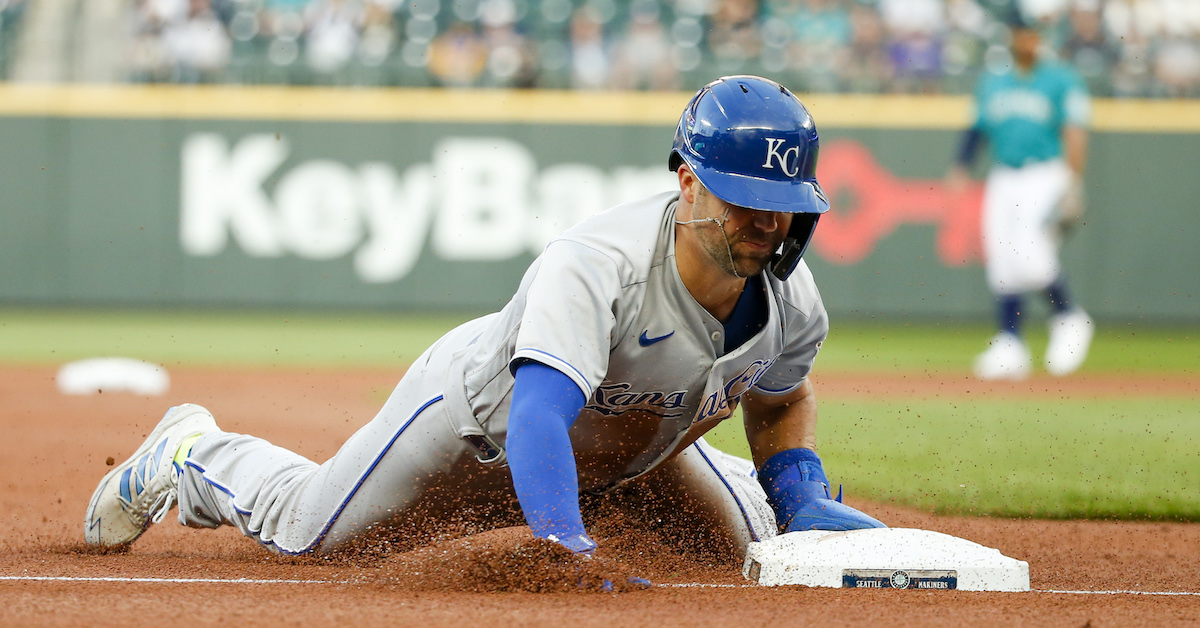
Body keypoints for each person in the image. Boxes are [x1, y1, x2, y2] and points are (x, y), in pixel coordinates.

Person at [84, 76, 885, 583]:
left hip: (635, 448)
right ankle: (194, 453)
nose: (765, 219)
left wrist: (799, 495)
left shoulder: (792, 299)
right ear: (685, 180)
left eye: (781, 202)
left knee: (751, 558)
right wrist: (563, 545)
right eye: (742, 194)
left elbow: (780, 398)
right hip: (478, 426)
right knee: (311, 538)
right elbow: (538, 413)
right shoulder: (597, 263)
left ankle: (742, 503)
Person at [947, 14, 1094, 381]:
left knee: (1030, 253)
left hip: (1046, 174)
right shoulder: (995, 79)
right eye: (1020, 34)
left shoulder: (1060, 78)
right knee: (1001, 258)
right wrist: (962, 166)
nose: (1026, 41)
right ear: (1012, 37)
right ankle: (1010, 342)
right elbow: (977, 128)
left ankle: (1069, 317)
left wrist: (1074, 185)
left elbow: (1075, 133)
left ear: (1041, 38)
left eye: (1032, 35)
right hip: (1004, 174)